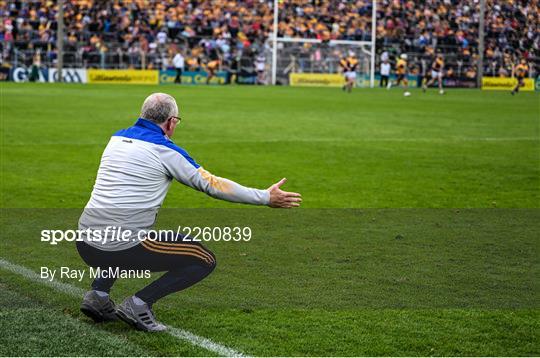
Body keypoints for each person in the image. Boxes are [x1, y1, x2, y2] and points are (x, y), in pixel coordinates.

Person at [76, 93, 302, 332]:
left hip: (84, 242)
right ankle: (139, 303)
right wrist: (265, 197)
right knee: (204, 259)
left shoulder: (116, 138)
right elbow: (213, 185)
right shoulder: (165, 150)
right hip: (118, 249)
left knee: (119, 231)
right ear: (171, 122)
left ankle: (98, 295)